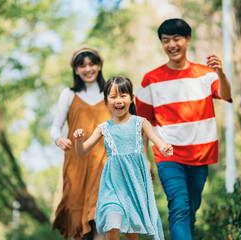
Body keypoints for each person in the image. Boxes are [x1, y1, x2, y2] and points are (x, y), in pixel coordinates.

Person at [135, 18, 233, 240]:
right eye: (166, 40)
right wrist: (144, 157)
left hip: (201, 154)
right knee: (179, 205)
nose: (171, 44)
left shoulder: (205, 73)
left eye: (176, 39)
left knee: (191, 209)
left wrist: (221, 74)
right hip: (168, 155)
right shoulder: (150, 80)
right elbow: (142, 123)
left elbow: (226, 95)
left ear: (187, 40)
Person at [73, 76, 173, 240]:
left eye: (123, 95)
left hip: (134, 188)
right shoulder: (103, 128)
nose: (118, 100)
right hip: (112, 188)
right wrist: (78, 141)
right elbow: (81, 151)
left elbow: (159, 142)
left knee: (131, 232)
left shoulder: (141, 123)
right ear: (106, 101)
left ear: (132, 98)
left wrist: (165, 148)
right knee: (112, 223)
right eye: (113, 97)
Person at [50, 45, 111, 240]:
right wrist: (58, 139)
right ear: (76, 70)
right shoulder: (68, 95)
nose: (88, 69)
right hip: (76, 164)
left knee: (101, 218)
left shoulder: (109, 93)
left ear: (99, 65)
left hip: (104, 164)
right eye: (82, 66)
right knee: (78, 223)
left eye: (92, 64)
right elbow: (55, 127)